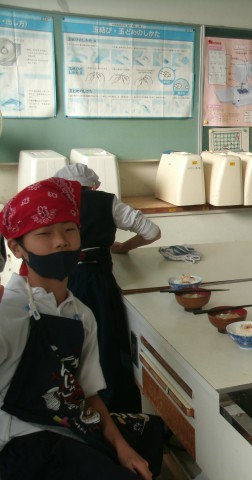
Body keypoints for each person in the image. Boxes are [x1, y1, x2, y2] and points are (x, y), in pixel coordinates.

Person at [0, 178, 163, 479]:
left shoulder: (81, 314)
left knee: (150, 432)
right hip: (21, 440)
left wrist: (122, 448)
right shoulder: (7, 312)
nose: (61, 241)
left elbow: (87, 393)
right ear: (16, 247)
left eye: (69, 230)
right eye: (44, 233)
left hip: (68, 422)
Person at [55, 164, 161, 413]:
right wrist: (123, 247)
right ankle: (111, 408)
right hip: (96, 280)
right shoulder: (106, 201)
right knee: (105, 343)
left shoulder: (53, 203)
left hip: (59, 281)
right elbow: (152, 232)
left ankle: (72, 404)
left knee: (67, 344)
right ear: (93, 186)